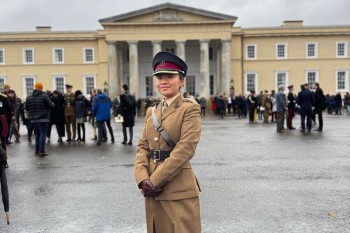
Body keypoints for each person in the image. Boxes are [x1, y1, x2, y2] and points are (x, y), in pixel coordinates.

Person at [134, 51, 201, 233]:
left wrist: (154, 181)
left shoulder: (190, 109)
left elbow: (185, 149)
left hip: (178, 189)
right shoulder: (152, 111)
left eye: (170, 76)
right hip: (152, 191)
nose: (163, 81)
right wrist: (141, 178)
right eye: (159, 77)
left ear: (181, 81)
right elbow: (142, 146)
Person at [25, 83, 54, 156]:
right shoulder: (45, 96)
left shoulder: (29, 97)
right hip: (43, 118)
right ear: (41, 88)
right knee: (42, 135)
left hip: (33, 119)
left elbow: (26, 108)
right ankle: (41, 151)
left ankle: (37, 150)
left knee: (37, 134)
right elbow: (51, 105)